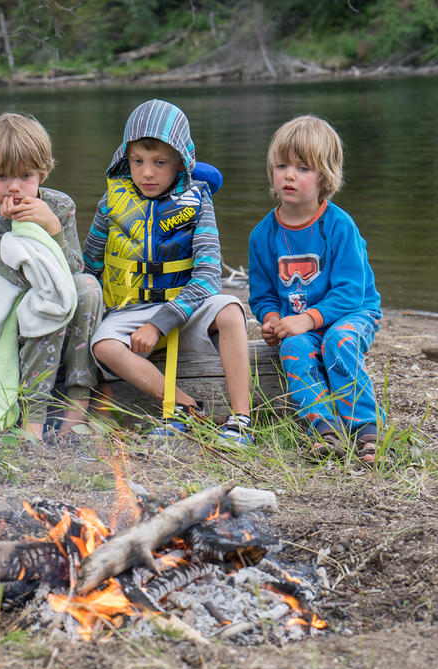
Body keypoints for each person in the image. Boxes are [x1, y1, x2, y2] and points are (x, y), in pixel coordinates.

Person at [82, 99, 252, 445]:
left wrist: (162, 320)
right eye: (137, 161)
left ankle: (241, 419)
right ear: (124, 158)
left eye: (160, 163)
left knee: (232, 310)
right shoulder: (109, 204)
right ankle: (183, 408)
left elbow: (207, 277)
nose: (147, 173)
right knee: (103, 345)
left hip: (186, 306)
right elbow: (90, 267)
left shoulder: (198, 201)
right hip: (131, 310)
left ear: (181, 162)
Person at [0, 112, 103, 441]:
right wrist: (25, 228)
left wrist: (53, 228)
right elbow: (27, 279)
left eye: (25, 175)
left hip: (49, 292)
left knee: (89, 288)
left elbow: (74, 271)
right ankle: (32, 418)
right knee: (42, 300)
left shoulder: (60, 206)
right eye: (2, 176)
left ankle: (77, 402)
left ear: (43, 173)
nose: (15, 187)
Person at [247, 114, 383, 463]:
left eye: (303, 167)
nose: (289, 175)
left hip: (354, 312)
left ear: (325, 176)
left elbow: (352, 291)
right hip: (299, 321)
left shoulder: (339, 226)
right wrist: (274, 319)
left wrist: (307, 319)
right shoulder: (263, 235)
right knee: (293, 346)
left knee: (338, 342)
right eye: (281, 166)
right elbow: (262, 294)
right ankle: (323, 428)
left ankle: (365, 428)